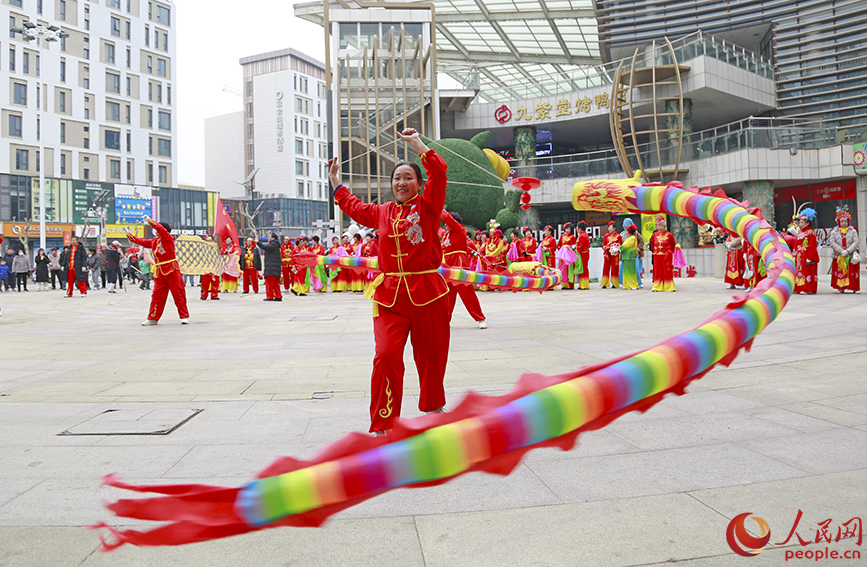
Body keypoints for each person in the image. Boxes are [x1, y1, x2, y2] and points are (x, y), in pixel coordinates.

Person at [327, 127, 450, 435]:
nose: (401, 183)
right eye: (397, 178)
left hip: (427, 293)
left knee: (431, 358)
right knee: (385, 355)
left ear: (419, 185)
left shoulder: (429, 206)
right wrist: (336, 184)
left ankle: (433, 406)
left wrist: (416, 143)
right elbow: (355, 208)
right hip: (389, 297)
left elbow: (439, 170)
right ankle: (384, 420)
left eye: (408, 178)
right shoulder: (382, 212)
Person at [127, 216, 190, 326]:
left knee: (178, 294)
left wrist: (150, 221)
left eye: (157, 229)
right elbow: (141, 241)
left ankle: (184, 316)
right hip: (160, 271)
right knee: (156, 296)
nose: (155, 231)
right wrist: (129, 235)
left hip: (171, 269)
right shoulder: (154, 241)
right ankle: (153, 318)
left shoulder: (168, 238)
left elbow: (161, 230)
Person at [441, 210, 486, 329]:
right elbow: (437, 231)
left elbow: (448, 218)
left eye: (446, 222)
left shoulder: (459, 229)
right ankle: (445, 320)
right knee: (447, 295)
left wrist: (438, 206)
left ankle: (480, 318)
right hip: (448, 268)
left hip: (459, 265)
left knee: (468, 294)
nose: (445, 224)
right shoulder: (446, 234)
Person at [829, 205, 860, 294]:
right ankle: (841, 287)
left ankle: (855, 288)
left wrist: (848, 251)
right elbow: (832, 242)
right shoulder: (834, 231)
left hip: (850, 255)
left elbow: (856, 241)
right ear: (838, 222)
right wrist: (841, 250)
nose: (844, 223)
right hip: (839, 255)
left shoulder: (853, 230)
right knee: (840, 271)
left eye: (845, 221)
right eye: (842, 221)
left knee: (852, 271)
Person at [792, 208, 819, 295]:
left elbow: (812, 245)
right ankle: (799, 288)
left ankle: (806, 288)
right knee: (799, 271)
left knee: (805, 272)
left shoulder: (810, 233)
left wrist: (808, 256)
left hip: (805, 255)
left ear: (807, 223)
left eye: (802, 222)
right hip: (799, 256)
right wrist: (794, 253)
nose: (800, 224)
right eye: (800, 222)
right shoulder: (800, 232)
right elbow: (796, 243)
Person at [650, 215, 677, 292]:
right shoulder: (654, 235)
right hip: (657, 256)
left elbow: (673, 245)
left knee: (667, 271)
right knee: (657, 271)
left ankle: (669, 287)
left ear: (665, 227)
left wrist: (669, 252)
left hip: (666, 255)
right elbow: (652, 244)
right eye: (659, 226)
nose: (660, 228)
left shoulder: (669, 235)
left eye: (662, 226)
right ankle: (657, 286)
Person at [257, 232, 283, 302]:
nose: (268, 238)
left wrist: (258, 243)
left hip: (271, 268)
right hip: (274, 268)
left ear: (273, 238)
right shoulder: (275, 244)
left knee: (269, 283)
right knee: (275, 284)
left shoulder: (273, 244)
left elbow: (265, 247)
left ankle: (270, 296)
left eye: (269, 237)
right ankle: (278, 296)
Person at [600, 221, 622, 289]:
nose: (609, 229)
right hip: (607, 254)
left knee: (615, 269)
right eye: (608, 227)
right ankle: (604, 283)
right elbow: (603, 244)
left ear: (614, 228)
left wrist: (612, 247)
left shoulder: (618, 236)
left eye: (610, 227)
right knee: (606, 268)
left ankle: (615, 283)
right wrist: (605, 247)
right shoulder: (606, 235)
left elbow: (619, 245)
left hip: (615, 254)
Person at [199, 236, 221, 301]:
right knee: (205, 282)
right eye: (208, 241)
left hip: (214, 266)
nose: (209, 242)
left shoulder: (215, 245)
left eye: (210, 240)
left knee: (215, 281)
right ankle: (204, 295)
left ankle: (214, 295)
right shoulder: (203, 247)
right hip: (206, 266)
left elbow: (218, 254)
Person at [558, 222, 578, 289]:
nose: (567, 230)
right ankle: (564, 285)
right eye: (566, 229)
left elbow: (572, 247)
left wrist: (567, 247)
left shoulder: (573, 237)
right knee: (563, 269)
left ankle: (570, 285)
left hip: (569, 256)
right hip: (563, 255)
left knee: (569, 269)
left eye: (569, 229)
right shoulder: (562, 236)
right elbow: (559, 245)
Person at [620, 225, 641, 290]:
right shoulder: (630, 238)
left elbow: (624, 246)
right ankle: (626, 285)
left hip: (630, 257)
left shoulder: (632, 238)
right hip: (626, 257)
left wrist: (619, 248)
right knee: (626, 272)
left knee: (631, 272)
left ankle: (633, 285)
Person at [575, 221, 591, 289]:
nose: (576, 229)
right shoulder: (584, 234)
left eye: (577, 227)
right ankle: (583, 284)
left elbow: (581, 246)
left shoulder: (582, 236)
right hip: (584, 253)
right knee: (584, 268)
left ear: (580, 228)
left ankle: (584, 285)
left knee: (583, 268)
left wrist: (576, 248)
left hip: (583, 253)